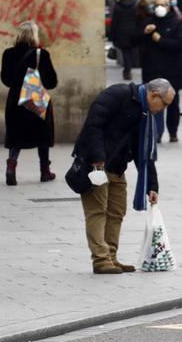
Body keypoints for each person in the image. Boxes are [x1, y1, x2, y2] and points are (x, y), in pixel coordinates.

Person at [72, 79, 171, 274]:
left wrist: (152, 186)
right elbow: (93, 124)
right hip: (96, 165)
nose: (164, 109)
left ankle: (111, 256)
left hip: (117, 167)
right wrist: (98, 157)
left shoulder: (145, 114)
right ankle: (101, 260)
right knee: (97, 212)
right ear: (153, 95)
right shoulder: (117, 95)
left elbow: (144, 154)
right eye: (165, 104)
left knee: (116, 212)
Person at [1, 20, 58, 185]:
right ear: (34, 35)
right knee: (42, 135)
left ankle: (11, 167)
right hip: (35, 99)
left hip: (15, 101)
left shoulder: (8, 54)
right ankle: (45, 171)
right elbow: (51, 82)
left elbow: (6, 80)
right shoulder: (41, 54)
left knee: (16, 135)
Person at [139, 0, 182, 142]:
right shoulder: (149, 22)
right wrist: (145, 33)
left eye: (163, 5)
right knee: (154, 102)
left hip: (171, 70)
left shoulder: (177, 23)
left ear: (169, 6)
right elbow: (136, 41)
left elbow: (179, 44)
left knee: (172, 103)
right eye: (157, 4)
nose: (160, 7)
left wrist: (161, 40)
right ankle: (156, 133)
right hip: (152, 69)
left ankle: (173, 132)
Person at [110, 0, 139, 81]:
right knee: (130, 51)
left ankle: (127, 70)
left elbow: (114, 22)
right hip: (133, 31)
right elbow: (137, 19)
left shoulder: (117, 6)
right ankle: (128, 69)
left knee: (125, 51)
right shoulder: (135, 6)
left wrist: (113, 35)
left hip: (121, 32)